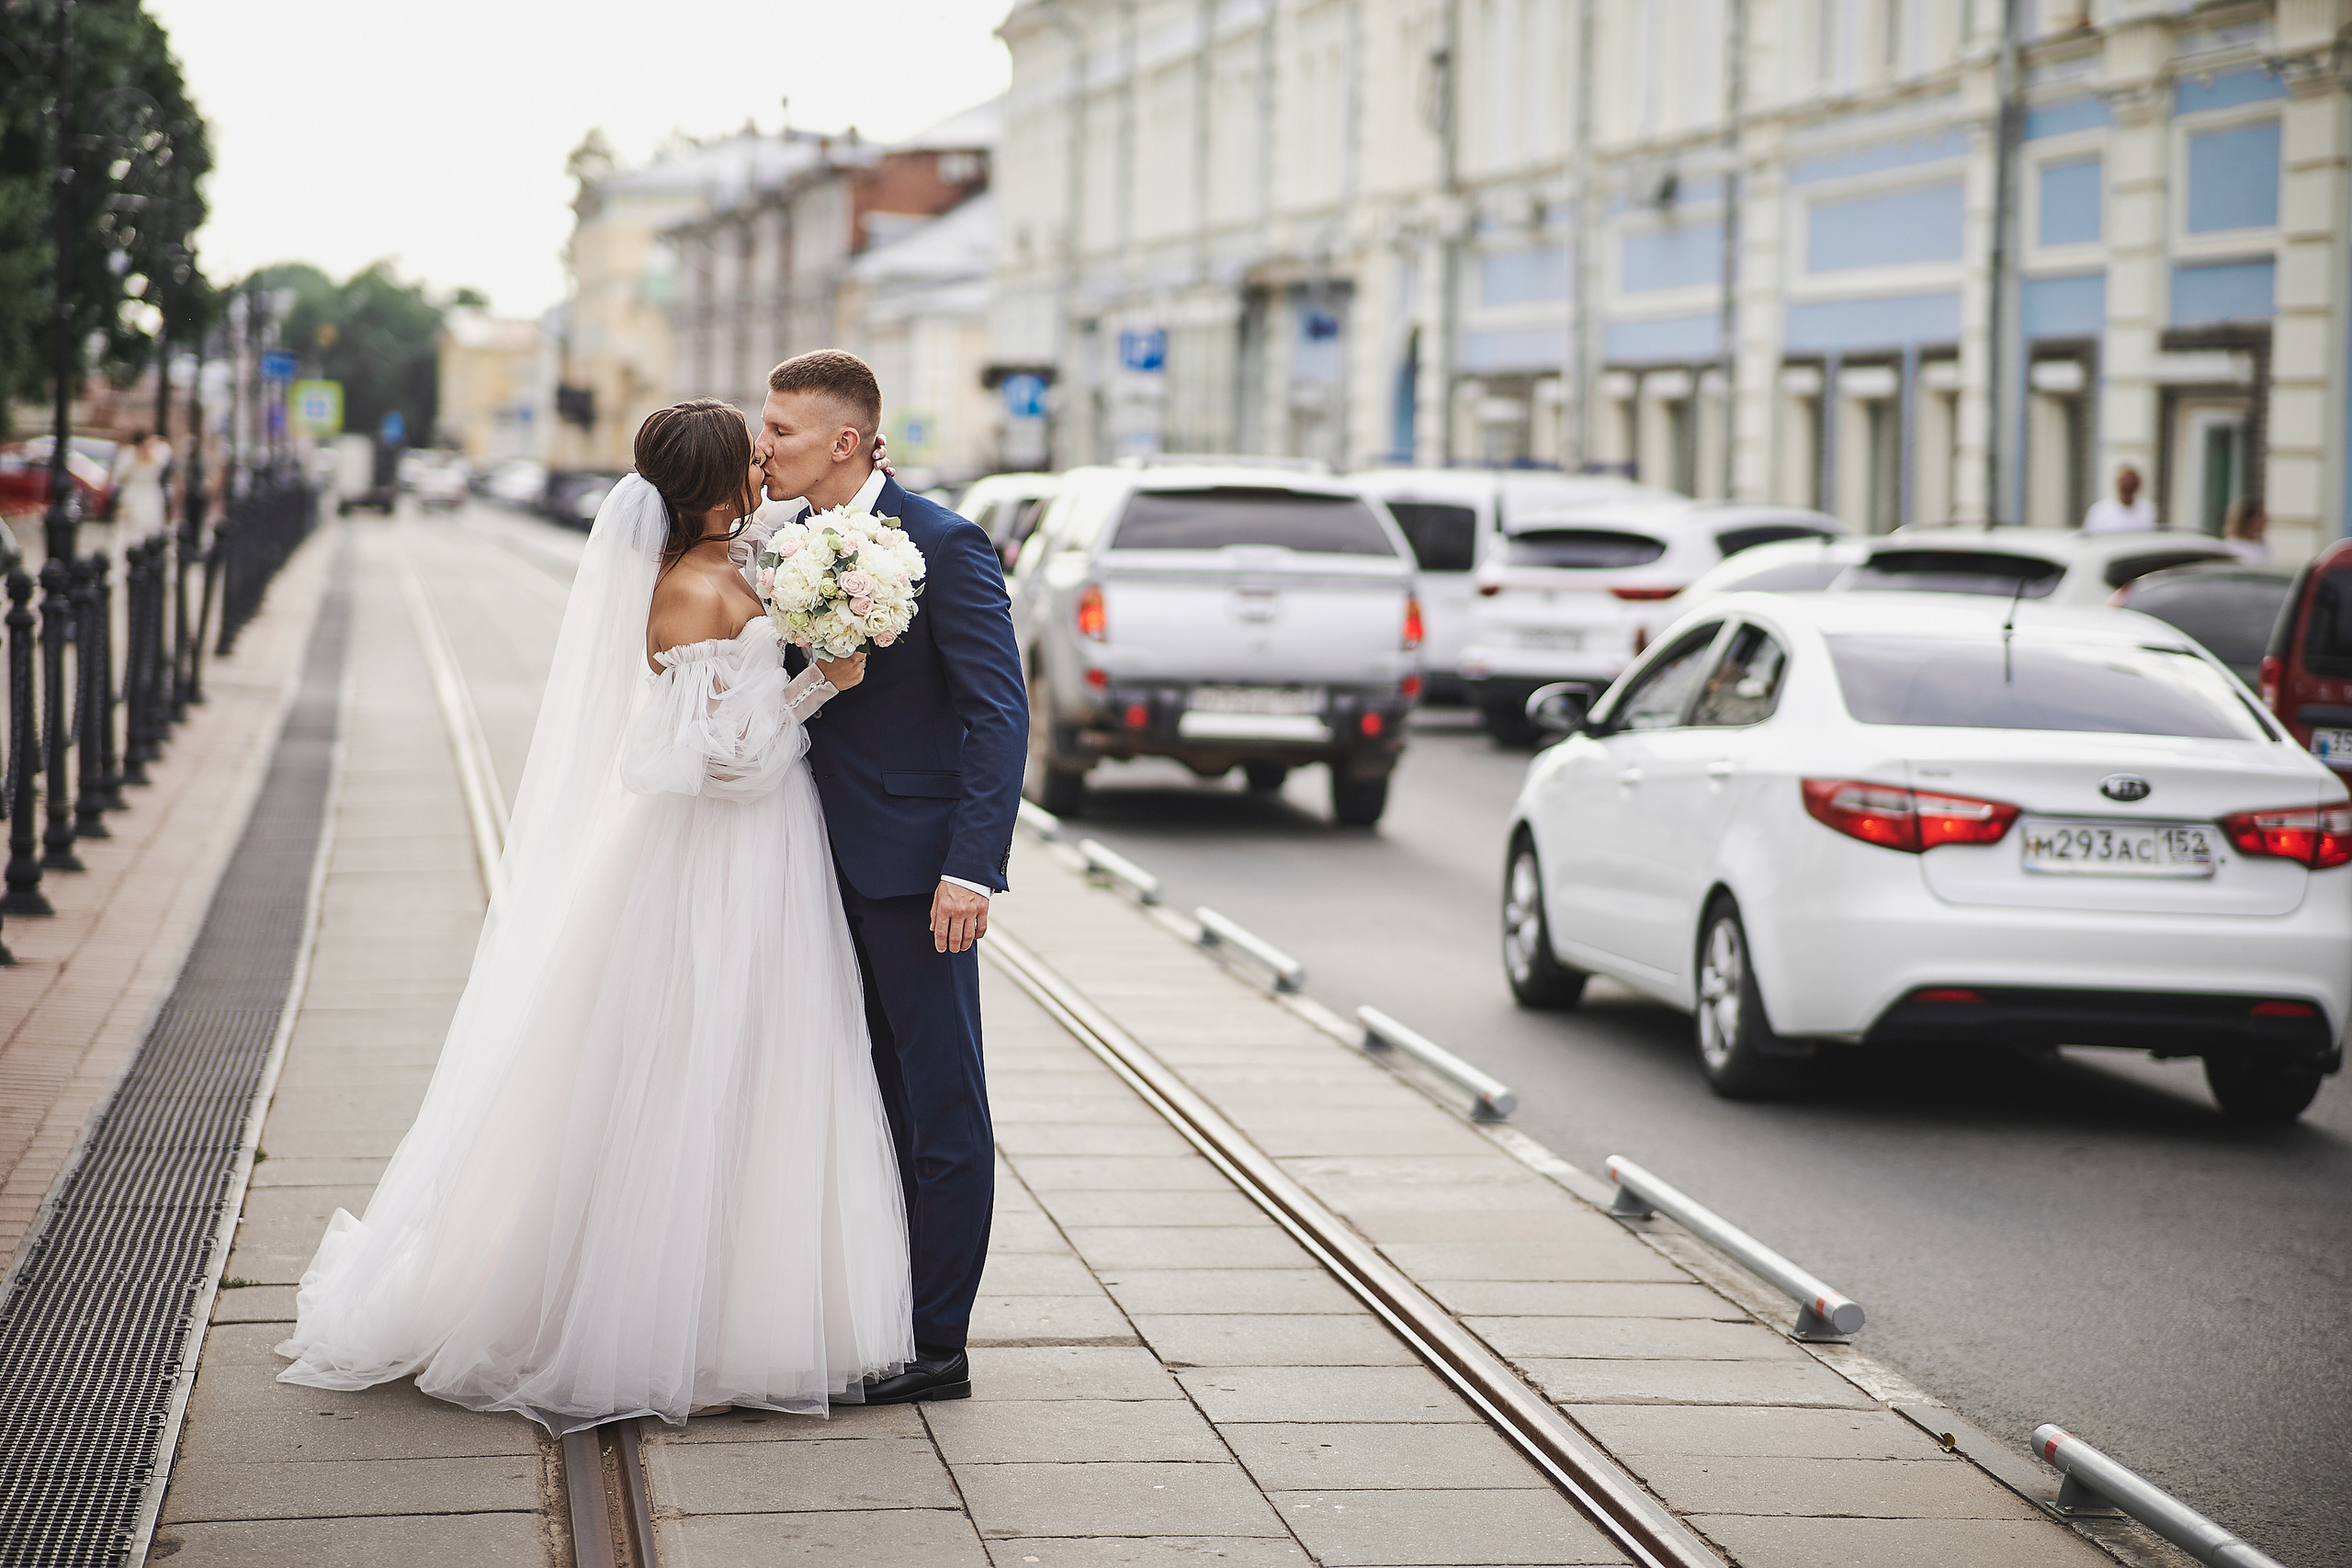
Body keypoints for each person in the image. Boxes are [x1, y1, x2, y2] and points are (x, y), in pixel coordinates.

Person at [276, 400, 916, 1433]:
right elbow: (711, 763)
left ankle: (730, 1308)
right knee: (700, 1063)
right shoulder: (693, 592)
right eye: (752, 460)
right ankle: (672, 1322)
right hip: (722, 856)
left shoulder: (729, 568)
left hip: (754, 853)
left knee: (746, 1065)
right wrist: (821, 687)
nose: (764, 469)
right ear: (716, 487)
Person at [743, 350, 1025, 1405]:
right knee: (855, 1097)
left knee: (939, 1102)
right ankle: (872, 1305)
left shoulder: (945, 546)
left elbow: (999, 715)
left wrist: (970, 868)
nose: (761, 443)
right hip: (803, 860)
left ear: (847, 442)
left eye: (781, 428)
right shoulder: (776, 544)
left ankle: (937, 1342)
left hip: (914, 875)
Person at [112, 430, 171, 534]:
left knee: (150, 524)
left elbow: (166, 450)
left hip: (150, 494)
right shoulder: (129, 455)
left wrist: (154, 443)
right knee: (129, 526)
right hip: (133, 494)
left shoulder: (157, 454)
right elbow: (119, 477)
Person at [2081, 465, 2156, 535]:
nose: (2127, 492)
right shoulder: (2100, 511)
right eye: (2125, 487)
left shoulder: (2148, 510)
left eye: (2130, 488)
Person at [2222, 497, 2270, 561]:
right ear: (2248, 520)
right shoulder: (2232, 547)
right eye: (2260, 517)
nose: (2265, 521)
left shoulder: (2261, 545)